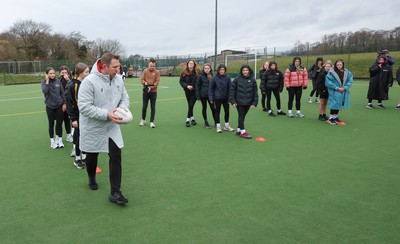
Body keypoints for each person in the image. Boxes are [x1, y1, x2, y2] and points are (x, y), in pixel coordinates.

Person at [78, 53, 130, 205]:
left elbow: (125, 98)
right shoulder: (89, 81)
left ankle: (115, 192)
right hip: (93, 126)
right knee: (92, 155)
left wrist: (122, 111)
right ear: (105, 66)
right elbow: (84, 107)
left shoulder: (119, 79)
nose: (118, 70)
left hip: (111, 125)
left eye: (119, 66)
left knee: (116, 155)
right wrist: (107, 114)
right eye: (115, 67)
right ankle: (91, 176)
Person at [66, 62, 89, 169]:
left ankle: (84, 157)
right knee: (79, 137)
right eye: (86, 72)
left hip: (84, 116)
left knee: (84, 136)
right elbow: (70, 103)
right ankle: (77, 159)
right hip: (78, 116)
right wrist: (73, 118)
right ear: (80, 73)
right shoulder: (74, 85)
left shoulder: (83, 83)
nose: (88, 74)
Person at [229, 64, 258, 139]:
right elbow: (232, 91)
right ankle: (243, 132)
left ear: (249, 71)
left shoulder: (252, 80)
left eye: (246, 70)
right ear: (241, 71)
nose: (245, 71)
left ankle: (238, 130)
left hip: (248, 102)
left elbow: (255, 92)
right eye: (243, 70)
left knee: (243, 116)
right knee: (241, 116)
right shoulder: (237, 79)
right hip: (239, 102)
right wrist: (233, 101)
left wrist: (255, 102)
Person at [41, 67, 66, 149]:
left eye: (53, 73)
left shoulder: (58, 81)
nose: (52, 75)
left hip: (59, 105)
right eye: (50, 73)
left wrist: (64, 103)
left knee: (59, 123)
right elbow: (45, 91)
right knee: (51, 124)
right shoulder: (44, 82)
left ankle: (59, 140)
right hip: (50, 106)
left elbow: (62, 93)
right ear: (47, 74)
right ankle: (52, 141)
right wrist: (47, 81)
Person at [325, 58, 353, 125]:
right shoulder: (331, 72)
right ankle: (331, 118)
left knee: (339, 104)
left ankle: (335, 117)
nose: (339, 66)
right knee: (334, 104)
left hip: (342, 91)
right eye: (338, 65)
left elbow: (350, 81)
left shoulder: (347, 72)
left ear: (343, 65)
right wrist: (337, 88)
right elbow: (328, 82)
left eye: (340, 65)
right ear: (335, 65)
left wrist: (345, 87)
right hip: (334, 91)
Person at [209, 64, 234, 133]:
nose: (222, 71)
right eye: (220, 70)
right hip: (217, 98)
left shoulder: (228, 77)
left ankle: (226, 126)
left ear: (225, 70)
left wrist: (230, 98)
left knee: (227, 111)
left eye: (223, 70)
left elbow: (230, 88)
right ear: (218, 70)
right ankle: (218, 126)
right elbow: (211, 88)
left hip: (226, 98)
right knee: (217, 112)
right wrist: (211, 98)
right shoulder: (214, 78)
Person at [139, 58, 160, 128]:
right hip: (145, 92)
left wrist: (151, 87)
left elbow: (157, 82)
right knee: (144, 106)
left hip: (153, 92)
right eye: (151, 66)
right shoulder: (145, 71)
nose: (152, 67)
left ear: (155, 65)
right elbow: (142, 79)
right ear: (148, 64)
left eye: (153, 66)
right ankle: (143, 120)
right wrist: (144, 83)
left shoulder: (157, 72)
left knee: (153, 107)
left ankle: (151, 121)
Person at [179, 59, 200, 127]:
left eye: (192, 63)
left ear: (194, 64)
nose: (191, 64)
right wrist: (187, 86)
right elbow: (181, 81)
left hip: (194, 92)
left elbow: (199, 80)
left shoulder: (197, 71)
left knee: (191, 105)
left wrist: (194, 87)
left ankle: (187, 119)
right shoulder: (184, 72)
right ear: (187, 64)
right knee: (190, 105)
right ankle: (192, 118)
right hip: (187, 91)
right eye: (189, 63)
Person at [196, 63, 216, 128]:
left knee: (213, 108)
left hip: (211, 96)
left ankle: (216, 122)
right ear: (203, 69)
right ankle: (206, 122)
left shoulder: (213, 76)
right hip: (203, 95)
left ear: (210, 69)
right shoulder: (200, 76)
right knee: (204, 108)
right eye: (205, 68)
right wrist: (198, 96)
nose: (206, 70)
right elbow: (198, 86)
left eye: (208, 68)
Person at [59, 66, 73, 143]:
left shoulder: (70, 81)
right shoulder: (58, 81)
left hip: (68, 104)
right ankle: (59, 137)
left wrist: (68, 79)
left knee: (67, 120)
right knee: (59, 121)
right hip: (60, 104)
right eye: (62, 72)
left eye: (65, 72)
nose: (64, 74)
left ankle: (69, 135)